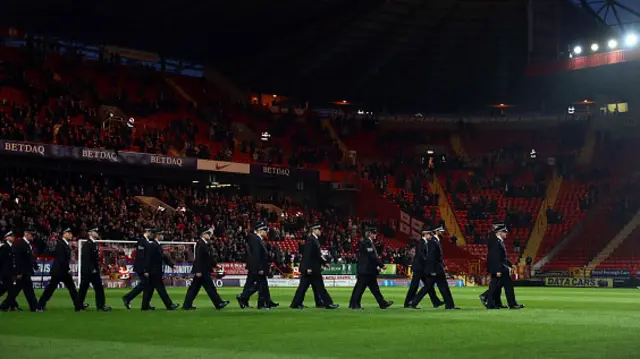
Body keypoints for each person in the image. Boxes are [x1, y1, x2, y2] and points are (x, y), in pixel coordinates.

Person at [408, 226, 459, 310]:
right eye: (440, 231)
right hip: (435, 269)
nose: (442, 233)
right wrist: (432, 270)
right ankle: (449, 305)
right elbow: (431, 257)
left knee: (432, 287)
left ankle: (414, 302)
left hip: (437, 268)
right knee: (438, 286)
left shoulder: (435, 241)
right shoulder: (433, 242)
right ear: (436, 232)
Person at [290, 224, 339, 310]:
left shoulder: (313, 240)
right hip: (312, 268)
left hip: (312, 268)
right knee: (319, 286)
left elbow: (317, 255)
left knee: (305, 287)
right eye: (318, 229)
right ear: (314, 230)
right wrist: (308, 267)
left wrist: (324, 263)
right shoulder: (311, 240)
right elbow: (308, 255)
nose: (320, 231)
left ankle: (297, 303)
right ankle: (328, 303)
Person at [182, 228, 230, 310]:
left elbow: (208, 258)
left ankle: (187, 305)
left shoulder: (203, 243)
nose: (209, 235)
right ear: (203, 234)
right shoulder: (200, 244)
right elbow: (198, 258)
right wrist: (198, 270)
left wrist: (215, 265)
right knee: (209, 288)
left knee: (194, 289)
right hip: (202, 270)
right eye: (208, 233)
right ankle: (218, 303)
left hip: (203, 270)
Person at [38, 228, 84, 311]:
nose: (71, 235)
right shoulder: (60, 244)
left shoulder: (64, 244)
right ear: (64, 234)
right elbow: (61, 259)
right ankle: (40, 304)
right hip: (59, 271)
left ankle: (79, 305)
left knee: (71, 288)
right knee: (51, 289)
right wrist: (68, 269)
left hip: (62, 271)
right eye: (69, 233)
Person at [348, 227, 393, 310]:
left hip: (368, 270)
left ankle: (382, 303)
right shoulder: (367, 243)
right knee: (360, 288)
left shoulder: (367, 242)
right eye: (374, 233)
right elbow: (372, 257)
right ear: (370, 234)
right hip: (366, 270)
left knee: (373, 288)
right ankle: (355, 305)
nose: (376, 235)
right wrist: (381, 265)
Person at [236, 221, 278, 310]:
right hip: (257, 267)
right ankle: (246, 298)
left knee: (258, 284)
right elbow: (256, 255)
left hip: (256, 267)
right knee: (260, 285)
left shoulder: (257, 239)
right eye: (265, 231)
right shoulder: (255, 239)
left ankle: (266, 302)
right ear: (259, 231)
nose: (266, 232)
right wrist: (259, 268)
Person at [484, 223, 524, 310]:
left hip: (501, 267)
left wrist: (511, 265)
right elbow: (495, 257)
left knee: (498, 285)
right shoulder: (496, 242)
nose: (506, 234)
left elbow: (502, 257)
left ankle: (494, 301)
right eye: (504, 232)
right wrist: (497, 270)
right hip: (499, 267)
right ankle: (492, 301)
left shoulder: (497, 241)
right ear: (499, 232)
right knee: (499, 285)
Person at [0, 229, 41, 312]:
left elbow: (30, 258)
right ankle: (34, 307)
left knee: (16, 291)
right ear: (26, 234)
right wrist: (19, 272)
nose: (32, 237)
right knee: (23, 290)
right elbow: (18, 260)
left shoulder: (25, 244)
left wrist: (35, 266)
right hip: (21, 272)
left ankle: (6, 305)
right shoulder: (20, 244)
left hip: (24, 272)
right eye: (31, 235)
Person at [404, 229, 444, 309]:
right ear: (425, 234)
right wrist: (428, 263)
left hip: (422, 268)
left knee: (428, 285)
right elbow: (421, 256)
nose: (431, 236)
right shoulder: (421, 243)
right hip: (419, 268)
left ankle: (435, 302)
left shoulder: (424, 243)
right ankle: (408, 303)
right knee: (414, 286)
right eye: (429, 234)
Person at [141, 229, 179, 311]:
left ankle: (145, 306)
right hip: (154, 271)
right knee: (161, 289)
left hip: (154, 271)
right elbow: (148, 258)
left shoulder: (156, 245)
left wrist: (171, 265)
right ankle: (169, 305)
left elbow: (163, 257)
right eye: (161, 234)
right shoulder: (153, 245)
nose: (162, 236)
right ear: (157, 235)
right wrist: (146, 270)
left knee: (149, 289)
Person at [76, 228, 112, 312]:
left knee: (97, 288)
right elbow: (86, 259)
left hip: (92, 270)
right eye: (95, 232)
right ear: (90, 233)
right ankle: (79, 306)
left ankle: (100, 305)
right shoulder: (88, 244)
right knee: (84, 288)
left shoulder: (93, 243)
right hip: (89, 271)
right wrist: (92, 269)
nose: (97, 233)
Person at [122, 228, 154, 309]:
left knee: (147, 284)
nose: (152, 234)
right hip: (141, 267)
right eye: (151, 232)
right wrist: (145, 269)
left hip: (142, 267)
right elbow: (141, 256)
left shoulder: (145, 241)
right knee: (145, 284)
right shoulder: (142, 241)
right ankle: (128, 298)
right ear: (147, 232)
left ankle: (145, 305)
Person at [0, 231, 21, 311]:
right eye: (11, 236)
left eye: (13, 236)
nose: (13, 237)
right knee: (11, 291)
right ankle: (5, 306)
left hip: (10, 273)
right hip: (5, 273)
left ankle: (12, 305)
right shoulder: (4, 247)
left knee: (6, 290)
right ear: (6, 237)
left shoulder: (12, 247)